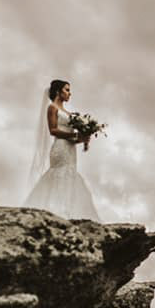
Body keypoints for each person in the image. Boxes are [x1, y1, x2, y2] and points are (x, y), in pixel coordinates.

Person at [24, 79, 101, 221]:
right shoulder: (52, 108)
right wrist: (75, 135)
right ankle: (57, 212)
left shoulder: (69, 113)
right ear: (58, 92)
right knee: (59, 174)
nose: (69, 93)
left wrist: (82, 139)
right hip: (60, 149)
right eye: (67, 90)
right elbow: (53, 130)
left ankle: (68, 212)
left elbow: (72, 137)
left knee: (70, 175)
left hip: (70, 149)